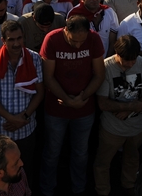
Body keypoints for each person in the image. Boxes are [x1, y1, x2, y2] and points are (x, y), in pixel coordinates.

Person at [38, 15, 104, 196]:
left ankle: (79, 190)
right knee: (51, 153)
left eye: (82, 41)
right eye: (74, 41)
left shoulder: (94, 39)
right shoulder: (52, 39)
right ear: (66, 30)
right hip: (56, 110)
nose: (78, 46)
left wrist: (82, 97)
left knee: (81, 155)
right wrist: (67, 100)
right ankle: (46, 190)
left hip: (84, 109)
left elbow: (99, 74)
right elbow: (48, 77)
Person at [93, 35, 142, 196]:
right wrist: (132, 106)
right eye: (126, 60)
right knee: (103, 163)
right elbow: (103, 103)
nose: (130, 64)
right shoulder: (106, 67)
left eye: (133, 60)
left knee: (132, 159)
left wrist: (129, 109)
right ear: (116, 53)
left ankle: (129, 187)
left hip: (137, 127)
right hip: (112, 128)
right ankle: (102, 190)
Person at [0, 19, 44, 162]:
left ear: (24, 37)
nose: (16, 44)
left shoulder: (35, 59)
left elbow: (40, 92)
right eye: (11, 40)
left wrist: (24, 117)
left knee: (25, 172)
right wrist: (12, 119)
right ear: (3, 40)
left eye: (19, 38)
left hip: (26, 129)